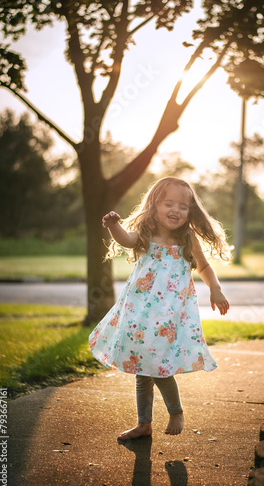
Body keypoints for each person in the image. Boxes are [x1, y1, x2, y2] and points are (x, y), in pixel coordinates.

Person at [89, 177, 231, 440]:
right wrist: (113, 226)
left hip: (169, 315)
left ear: (191, 211)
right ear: (154, 205)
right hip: (139, 313)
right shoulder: (146, 232)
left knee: (158, 365)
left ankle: (175, 411)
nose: (176, 210)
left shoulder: (187, 238)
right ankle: (144, 424)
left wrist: (215, 288)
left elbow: (204, 266)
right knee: (141, 368)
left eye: (183, 206)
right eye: (169, 203)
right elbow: (127, 241)